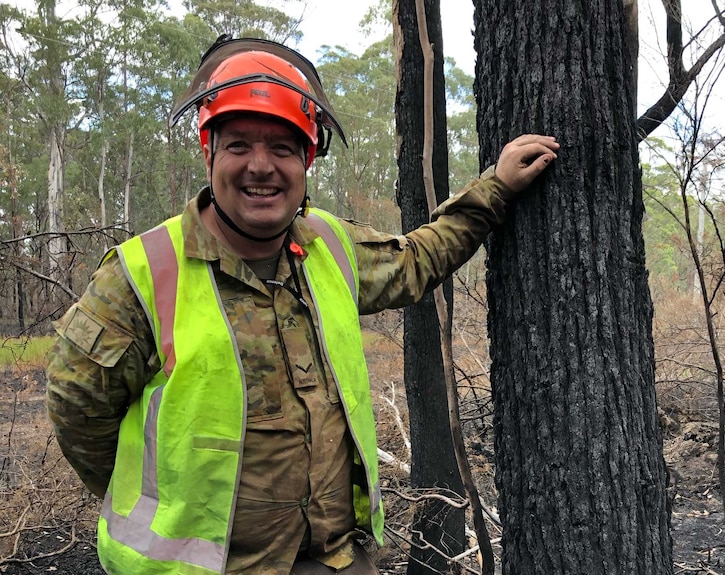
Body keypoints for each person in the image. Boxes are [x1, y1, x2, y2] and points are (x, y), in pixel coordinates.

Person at [45, 36, 559, 575]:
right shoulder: (144, 273)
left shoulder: (329, 246)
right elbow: (80, 416)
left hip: (334, 560)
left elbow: (415, 262)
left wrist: (495, 188)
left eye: (283, 148)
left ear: (307, 159)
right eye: (240, 145)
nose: (261, 166)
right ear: (209, 152)